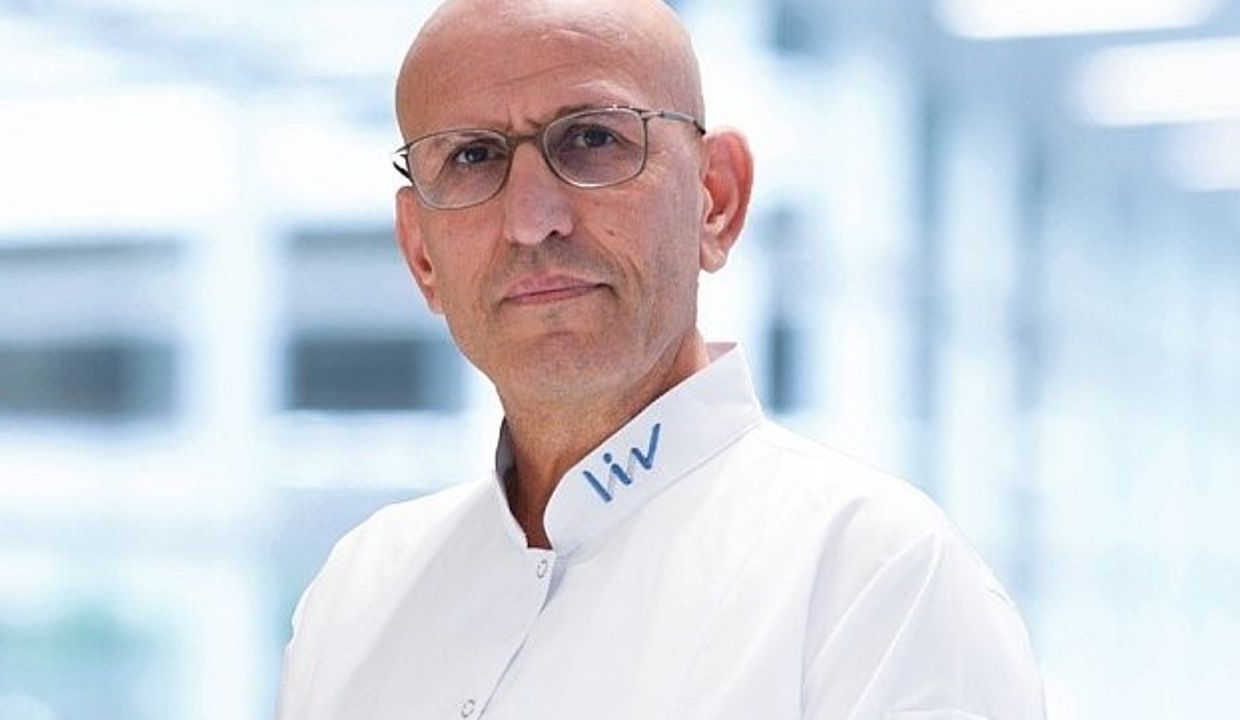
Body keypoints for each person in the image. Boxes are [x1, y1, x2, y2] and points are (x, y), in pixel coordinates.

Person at [275, 0, 1046, 718]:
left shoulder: (877, 579)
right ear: (421, 254)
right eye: (472, 156)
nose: (532, 220)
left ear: (716, 199)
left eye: (592, 139)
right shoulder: (356, 595)